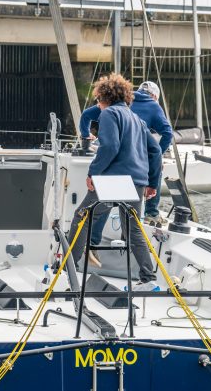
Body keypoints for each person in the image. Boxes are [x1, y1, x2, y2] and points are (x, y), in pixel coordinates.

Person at [67, 74, 162, 289]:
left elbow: (110, 147)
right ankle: (148, 279)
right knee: (133, 229)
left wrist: (93, 173)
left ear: (103, 97)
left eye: (97, 100)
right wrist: (152, 184)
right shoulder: (136, 119)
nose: (97, 105)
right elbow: (155, 150)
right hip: (137, 183)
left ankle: (68, 271)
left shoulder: (109, 113)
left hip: (114, 181)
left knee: (82, 218)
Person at [79, 80, 173, 251]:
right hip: (136, 167)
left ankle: (91, 244)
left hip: (112, 165)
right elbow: (167, 134)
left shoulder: (113, 106)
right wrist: (156, 158)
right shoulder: (152, 106)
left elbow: (86, 115)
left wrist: (86, 137)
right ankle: (150, 215)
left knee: (99, 207)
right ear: (154, 96)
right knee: (132, 220)